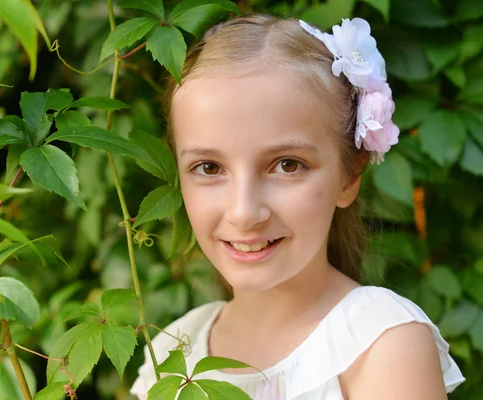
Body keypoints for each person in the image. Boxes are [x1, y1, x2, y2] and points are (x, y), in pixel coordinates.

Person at [130, 14, 465, 399]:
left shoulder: (380, 344)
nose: (243, 212)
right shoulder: (174, 349)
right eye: (209, 167)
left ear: (350, 174)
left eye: (288, 165)